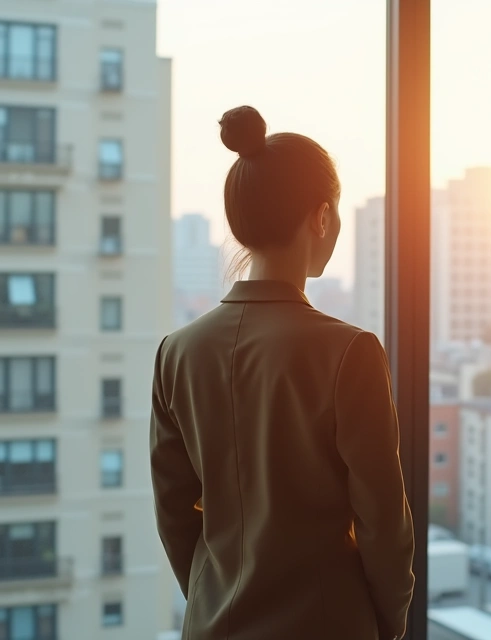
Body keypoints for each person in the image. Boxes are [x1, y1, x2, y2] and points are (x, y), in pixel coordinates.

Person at [150, 105, 415, 640]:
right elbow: (384, 526)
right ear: (321, 217)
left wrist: (212, 594)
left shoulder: (177, 352)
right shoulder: (350, 353)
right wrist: (385, 624)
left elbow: (175, 513)